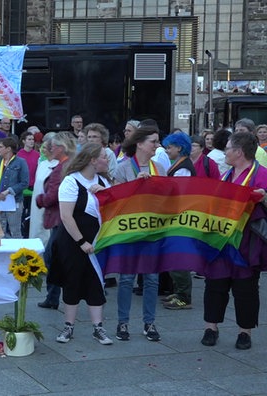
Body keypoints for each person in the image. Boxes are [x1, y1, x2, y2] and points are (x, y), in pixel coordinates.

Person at [201, 132, 267, 350]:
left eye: (228, 148)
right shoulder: (226, 174)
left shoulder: (262, 174)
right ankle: (211, 327)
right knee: (215, 283)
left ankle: (244, 332)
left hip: (247, 241)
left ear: (239, 152)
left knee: (245, 287)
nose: (225, 152)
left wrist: (263, 196)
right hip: (222, 239)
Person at [51, 143, 113, 345]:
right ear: (93, 160)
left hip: (97, 242)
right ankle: (68, 326)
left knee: (96, 283)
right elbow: (66, 216)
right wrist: (81, 241)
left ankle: (98, 328)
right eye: (104, 156)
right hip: (73, 242)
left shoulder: (104, 180)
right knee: (72, 282)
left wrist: (104, 192)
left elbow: (115, 207)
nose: (107, 159)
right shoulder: (71, 181)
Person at [112, 125, 167, 342]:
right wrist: (137, 185)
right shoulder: (123, 168)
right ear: (140, 143)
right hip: (129, 231)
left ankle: (149, 322)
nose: (156, 145)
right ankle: (122, 322)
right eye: (153, 141)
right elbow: (116, 201)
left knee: (152, 279)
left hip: (152, 231)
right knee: (126, 279)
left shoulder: (160, 168)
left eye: (157, 141)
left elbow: (166, 200)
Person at [36, 132, 77, 310]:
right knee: (58, 257)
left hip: (59, 218)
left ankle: (55, 296)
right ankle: (55, 295)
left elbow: (53, 196)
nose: (49, 150)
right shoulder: (70, 164)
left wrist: (40, 199)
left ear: (61, 148)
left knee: (51, 258)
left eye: (52, 147)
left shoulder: (61, 168)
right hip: (67, 217)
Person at [160, 133, 196, 310]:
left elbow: (180, 194)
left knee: (178, 257)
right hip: (176, 216)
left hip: (179, 217)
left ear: (179, 148)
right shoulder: (179, 165)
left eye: (169, 147)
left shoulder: (184, 168)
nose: (167, 150)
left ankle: (184, 297)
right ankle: (179, 292)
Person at [0, 137, 29, 238]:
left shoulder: (21, 162)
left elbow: (24, 182)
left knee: (15, 231)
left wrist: (8, 191)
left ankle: (18, 253)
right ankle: (0, 253)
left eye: (1, 147)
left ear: (8, 149)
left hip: (13, 201)